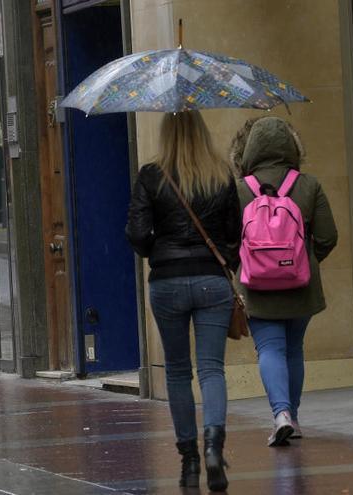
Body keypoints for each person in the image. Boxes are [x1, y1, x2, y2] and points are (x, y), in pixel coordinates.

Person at [126, 111, 239, 492]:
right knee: (211, 370)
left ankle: (189, 459)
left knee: (176, 371)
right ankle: (213, 446)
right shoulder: (221, 173)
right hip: (212, 280)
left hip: (168, 282)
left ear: (166, 132)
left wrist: (158, 244)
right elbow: (234, 233)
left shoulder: (151, 175)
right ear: (202, 131)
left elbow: (138, 235)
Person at [234, 116, 337, 447]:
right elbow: (327, 236)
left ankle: (280, 414)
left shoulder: (239, 190)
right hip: (300, 285)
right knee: (294, 349)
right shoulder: (308, 185)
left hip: (256, 286)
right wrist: (305, 262)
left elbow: (226, 240)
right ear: (291, 146)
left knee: (269, 348)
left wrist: (248, 265)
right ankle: (293, 415)